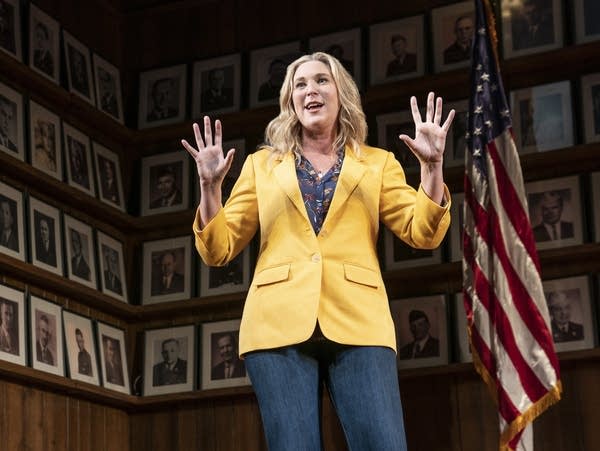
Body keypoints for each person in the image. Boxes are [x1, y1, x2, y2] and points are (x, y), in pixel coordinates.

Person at [182, 51, 453, 450]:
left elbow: (423, 233)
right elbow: (218, 249)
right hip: (277, 324)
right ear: (291, 102)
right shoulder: (262, 166)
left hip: (360, 320)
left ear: (341, 93)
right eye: (300, 84)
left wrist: (432, 168)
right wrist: (209, 188)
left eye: (321, 81)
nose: (311, 89)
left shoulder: (377, 164)